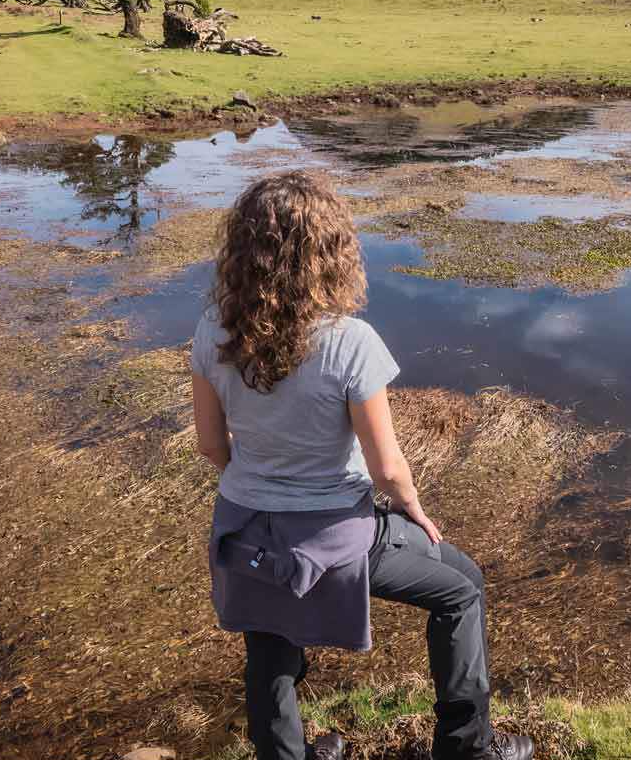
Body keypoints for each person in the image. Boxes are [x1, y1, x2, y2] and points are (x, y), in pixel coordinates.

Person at [191, 171, 533, 760]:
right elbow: (388, 468)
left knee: (267, 639)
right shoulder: (351, 342)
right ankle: (467, 748)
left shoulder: (213, 330)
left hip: (244, 529)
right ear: (331, 253)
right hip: (335, 536)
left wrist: (260, 478)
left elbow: (210, 447)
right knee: (463, 589)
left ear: (243, 249)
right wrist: (414, 511)